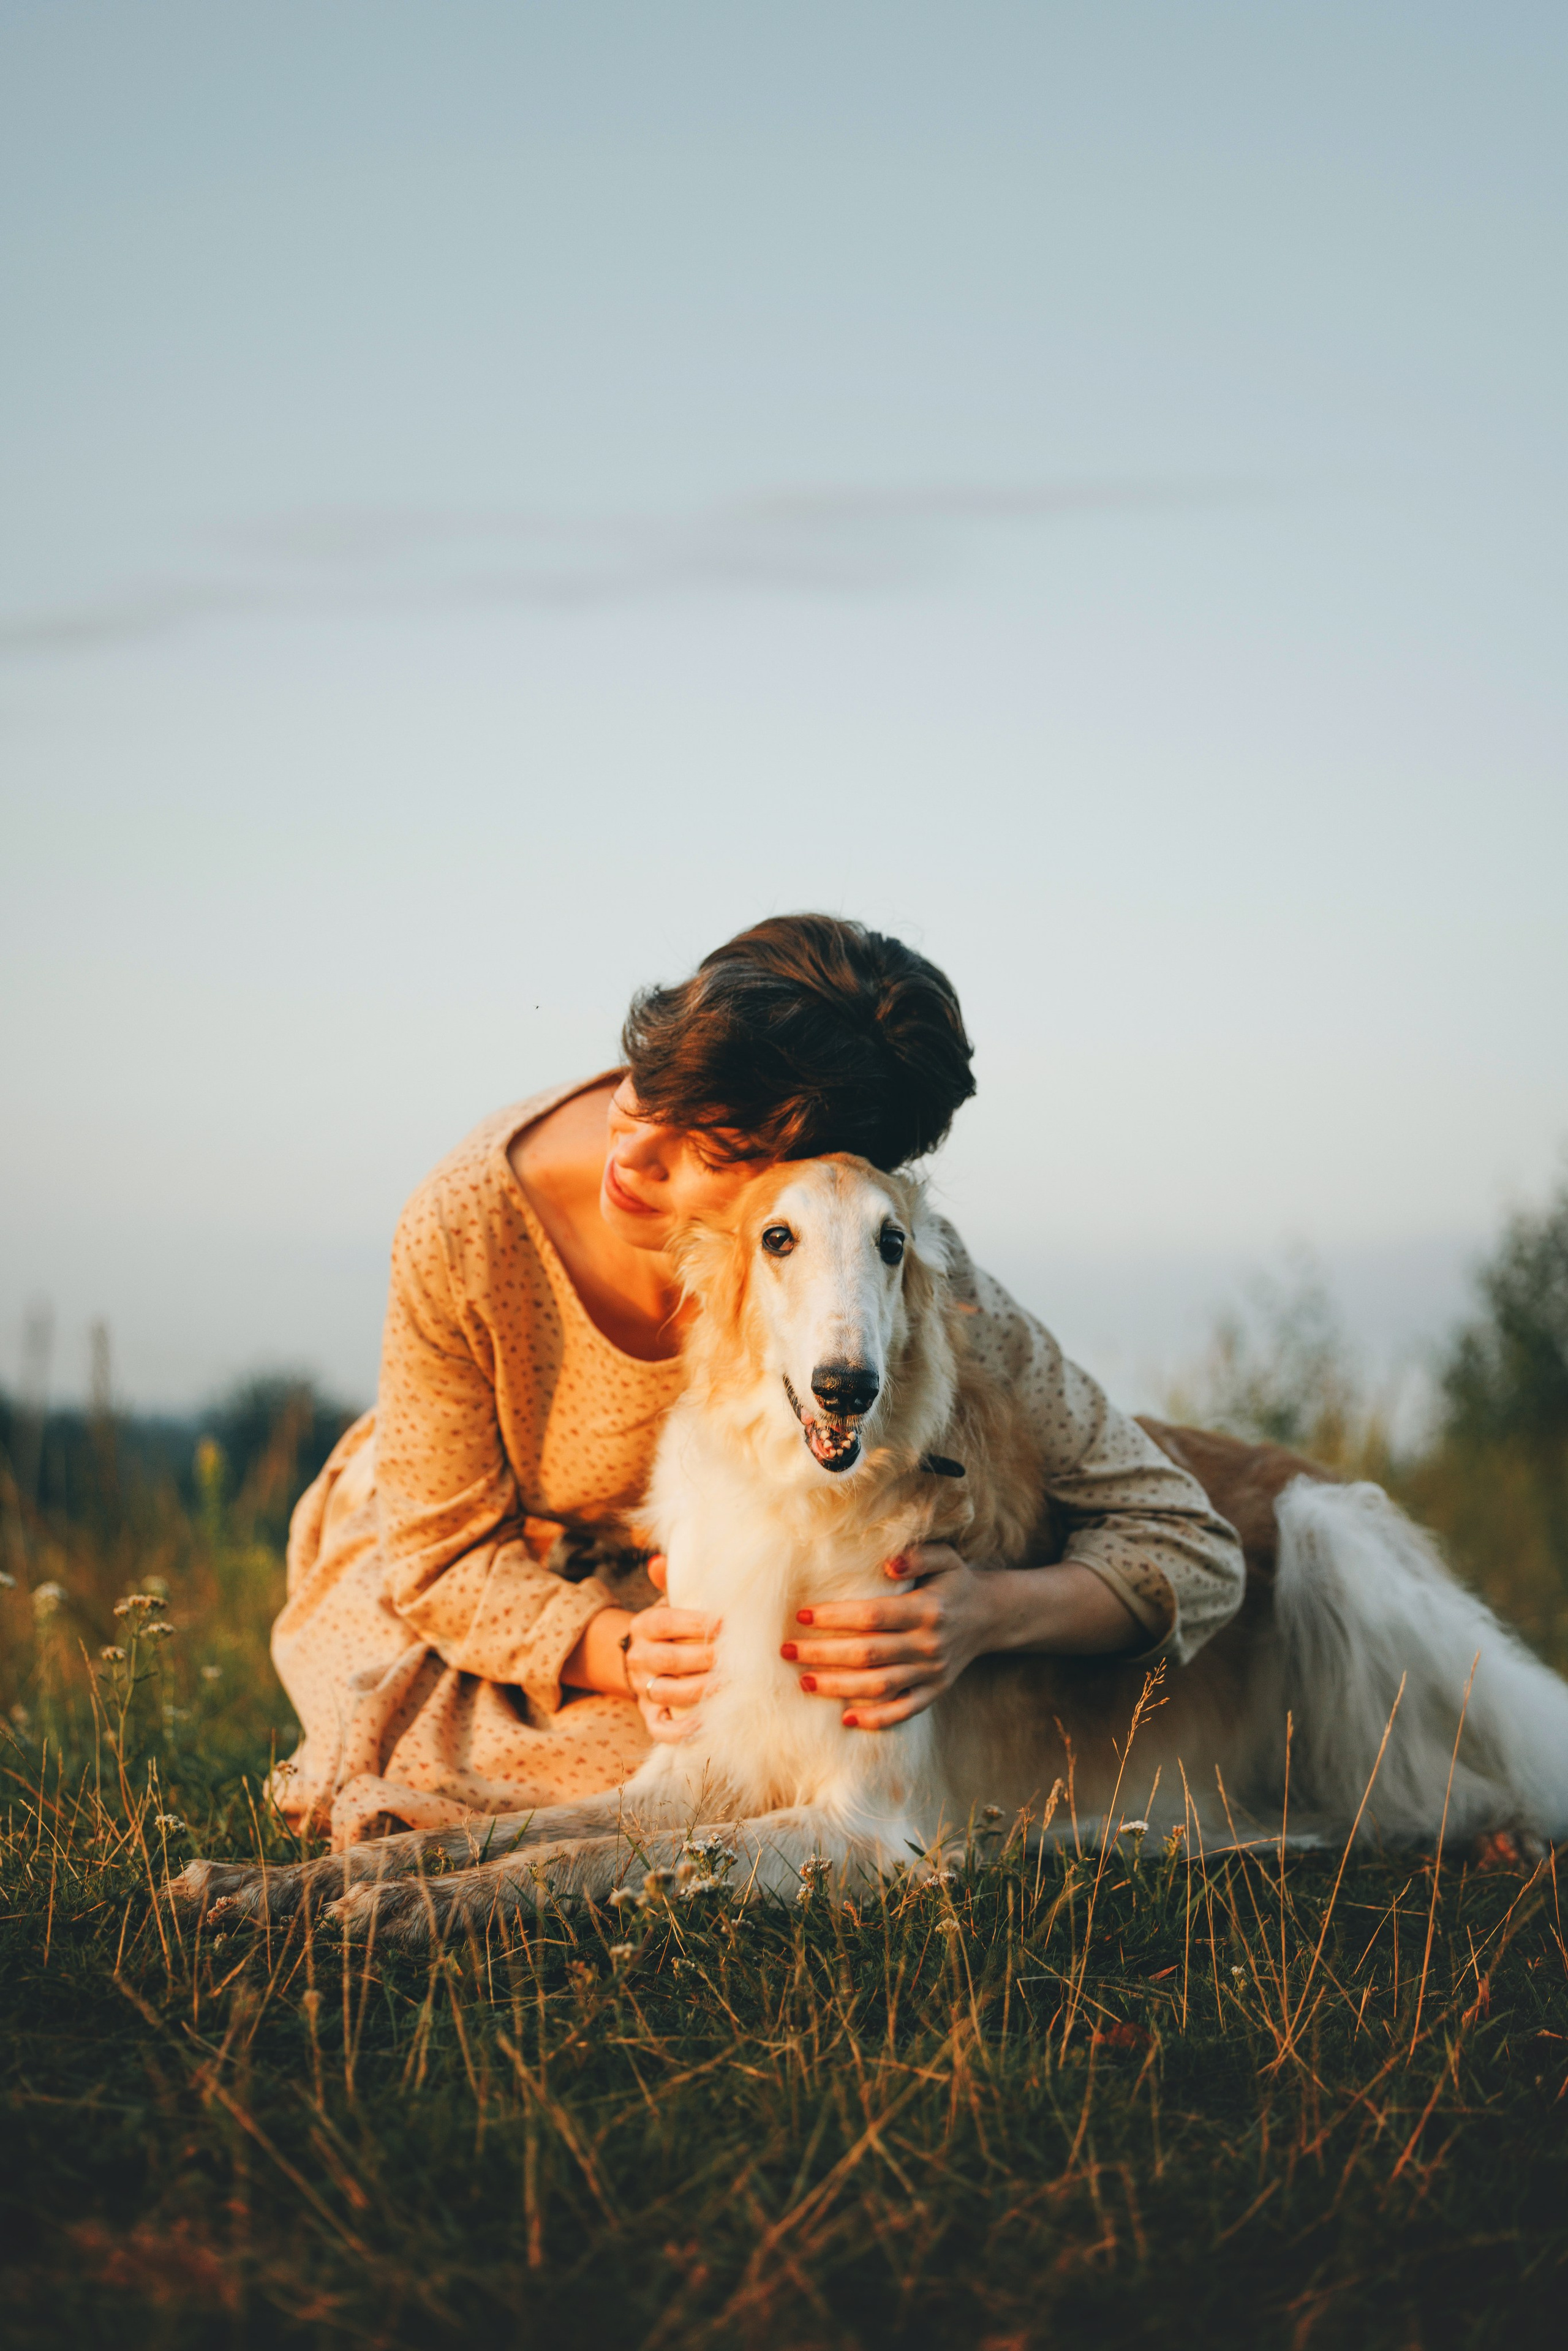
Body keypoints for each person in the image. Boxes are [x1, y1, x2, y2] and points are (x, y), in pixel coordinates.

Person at [271, 915, 1245, 1847]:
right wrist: (613, 1648)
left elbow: (1189, 1542)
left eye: (710, 1147)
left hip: (730, 1594)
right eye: (651, 1079)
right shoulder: (463, 1223)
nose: (634, 1146)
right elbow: (438, 1551)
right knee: (452, 1747)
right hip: (487, 1577)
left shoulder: (885, 1273)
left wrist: (988, 1612)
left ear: (818, 1173)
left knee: (765, 1756)